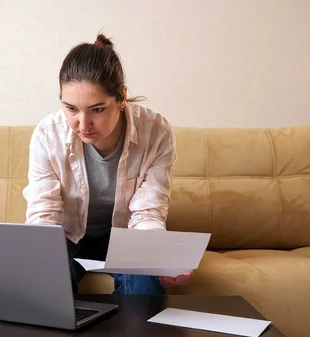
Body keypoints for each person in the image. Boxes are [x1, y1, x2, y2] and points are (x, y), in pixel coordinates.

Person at [23, 33, 192, 295]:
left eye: (97, 109)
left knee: (145, 292)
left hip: (125, 237)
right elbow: (44, 215)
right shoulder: (47, 134)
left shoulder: (156, 132)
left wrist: (160, 257)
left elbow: (148, 213)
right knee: (41, 288)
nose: (83, 123)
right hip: (66, 236)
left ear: (122, 97)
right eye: (71, 109)